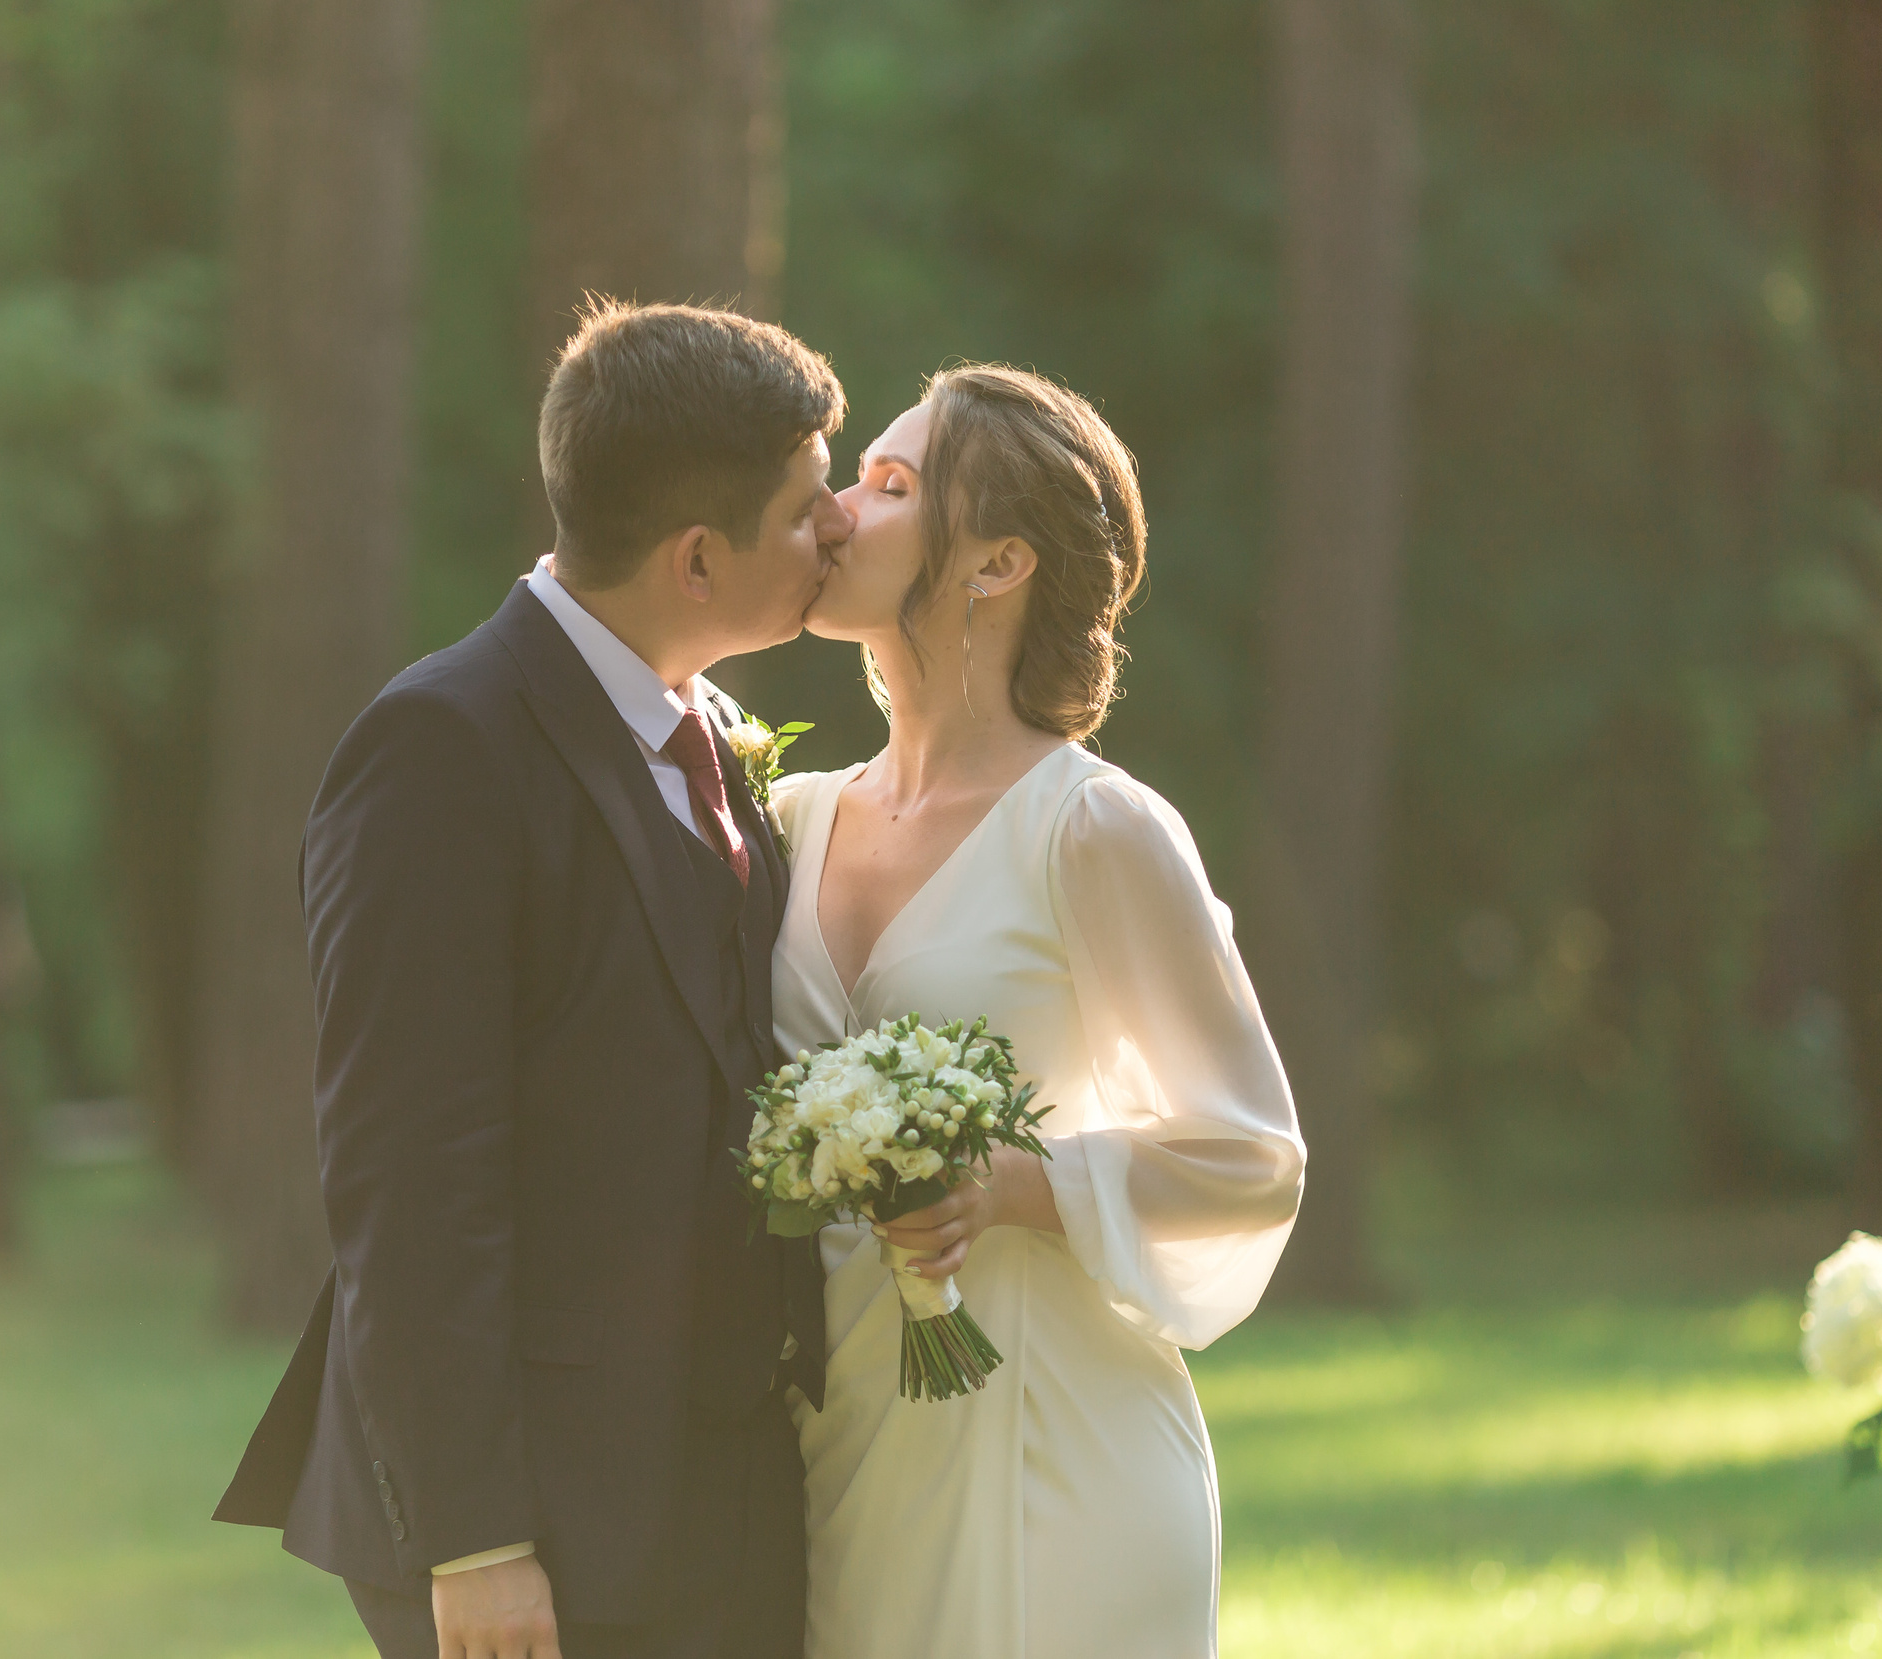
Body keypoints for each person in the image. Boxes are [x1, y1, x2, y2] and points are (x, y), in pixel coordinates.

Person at [213, 301, 851, 1659]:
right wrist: (476, 1536)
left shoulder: (707, 733)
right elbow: (408, 1170)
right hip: (532, 1526)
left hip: (721, 1490)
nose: (839, 530)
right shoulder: (442, 749)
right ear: (695, 558)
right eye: (805, 511)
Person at [771, 365, 1306, 1658]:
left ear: (994, 564)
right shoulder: (785, 819)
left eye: (890, 485)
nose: (838, 509)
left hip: (1056, 1456)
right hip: (840, 1454)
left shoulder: (1096, 829)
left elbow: (1253, 1156)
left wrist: (1018, 1183)